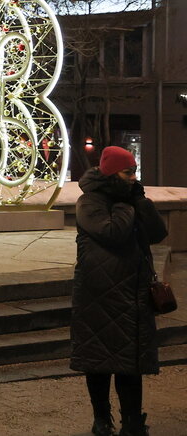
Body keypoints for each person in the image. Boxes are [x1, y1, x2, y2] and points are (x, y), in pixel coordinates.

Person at [71, 146, 168, 436]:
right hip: (98, 294)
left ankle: (132, 423)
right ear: (112, 173)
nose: (133, 177)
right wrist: (127, 204)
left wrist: (142, 203)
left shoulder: (131, 198)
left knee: (131, 363)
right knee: (98, 362)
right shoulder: (90, 201)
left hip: (133, 292)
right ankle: (102, 421)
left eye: (135, 171)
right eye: (128, 172)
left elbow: (157, 234)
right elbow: (112, 232)